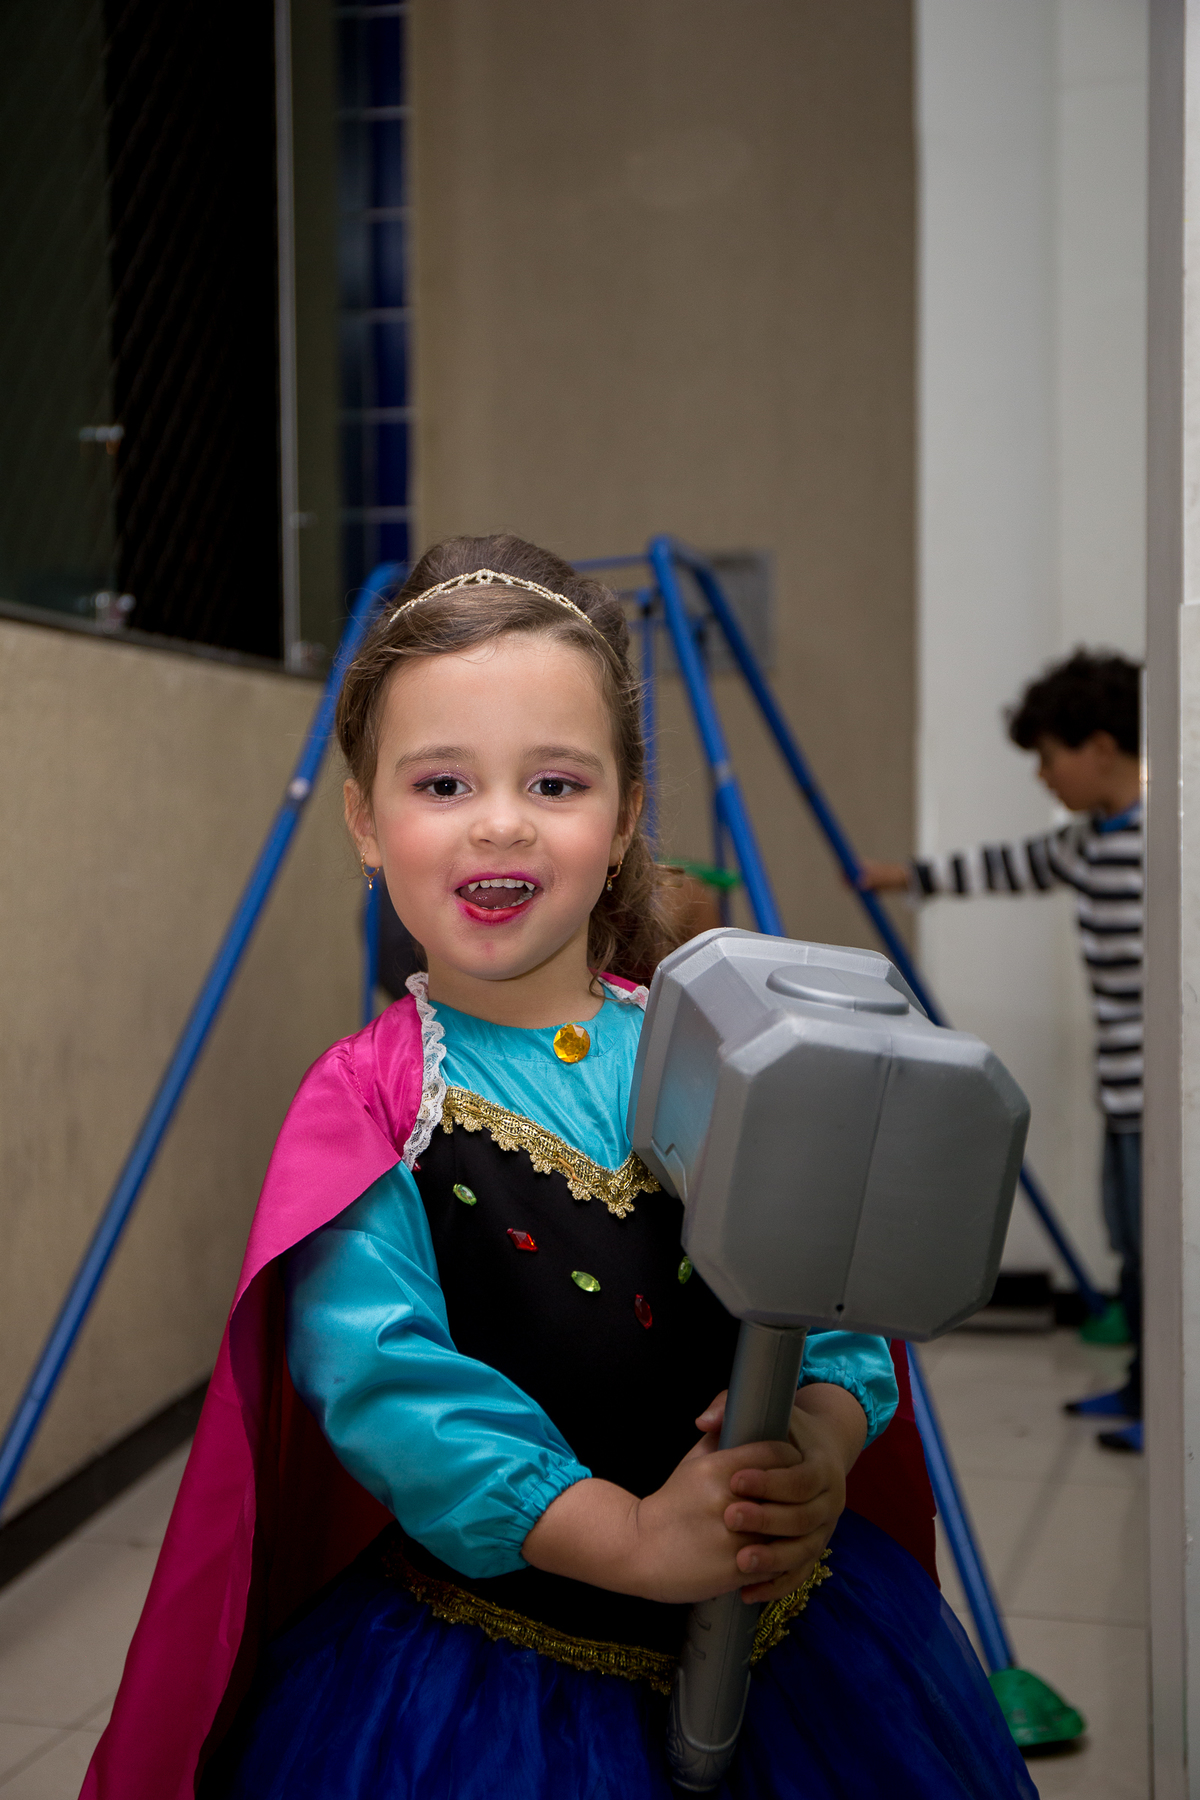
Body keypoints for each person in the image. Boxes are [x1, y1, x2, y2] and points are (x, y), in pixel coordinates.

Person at [83, 537, 1035, 1800]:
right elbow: (389, 1384)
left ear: (624, 815)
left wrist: (816, 1439)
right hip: (495, 1682)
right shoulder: (371, 1100)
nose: (500, 821)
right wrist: (629, 1538)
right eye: (442, 784)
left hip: (785, 1646)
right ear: (364, 821)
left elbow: (835, 1289)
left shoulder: (722, 1043)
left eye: (554, 781)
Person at [859, 650, 1143, 1454]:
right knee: (1130, 1241)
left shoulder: (1164, 839)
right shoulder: (1086, 844)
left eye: (1051, 759)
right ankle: (1141, 1384)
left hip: (1163, 1094)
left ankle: (1166, 1401)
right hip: (1121, 1090)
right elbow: (1005, 865)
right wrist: (903, 877)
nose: (1044, 777)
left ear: (1100, 748)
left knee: (1159, 1249)